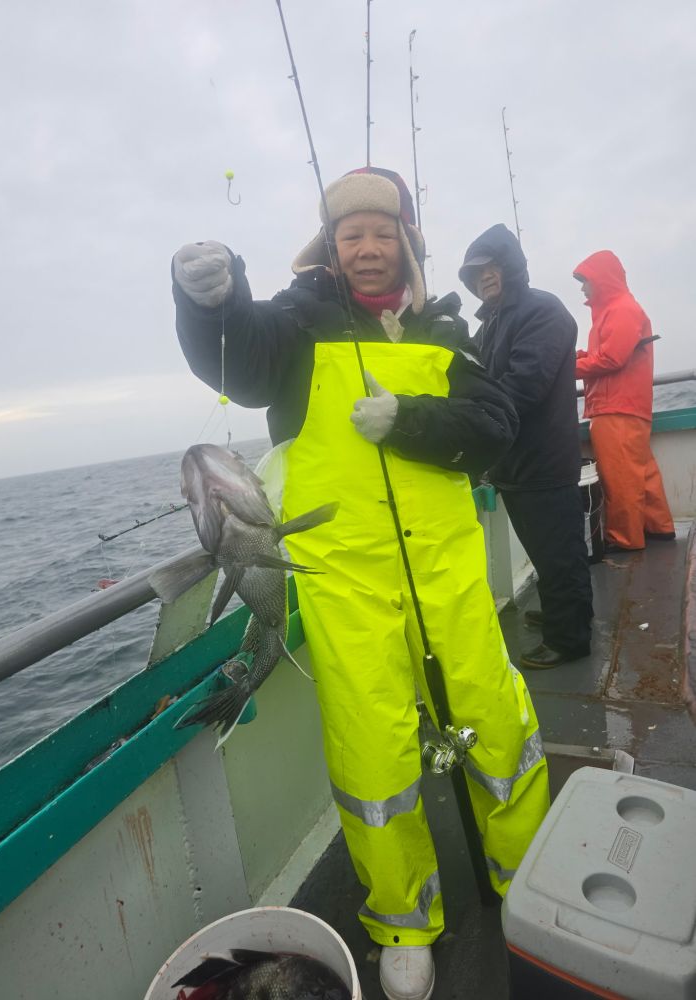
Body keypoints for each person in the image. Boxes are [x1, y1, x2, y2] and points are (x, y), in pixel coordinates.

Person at [171, 169, 549, 1000]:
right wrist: (208, 303)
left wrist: (408, 422)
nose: (369, 249)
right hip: (344, 578)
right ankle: (404, 921)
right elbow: (240, 360)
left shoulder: (447, 329)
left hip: (447, 571)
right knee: (373, 754)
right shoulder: (294, 326)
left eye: (384, 233)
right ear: (330, 247)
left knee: (495, 720)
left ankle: (525, 876)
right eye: (352, 236)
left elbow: (494, 429)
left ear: (407, 242)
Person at [458, 224, 594, 670]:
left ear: (510, 266)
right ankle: (564, 613)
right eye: (475, 274)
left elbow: (523, 386)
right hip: (514, 464)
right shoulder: (492, 322)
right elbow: (474, 378)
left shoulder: (543, 311)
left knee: (560, 553)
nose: (484, 278)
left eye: (491, 267)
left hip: (543, 461)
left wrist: (470, 428)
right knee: (544, 552)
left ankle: (569, 637)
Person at [573, 251, 675, 552]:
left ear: (602, 279)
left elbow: (611, 358)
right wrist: (577, 358)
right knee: (642, 472)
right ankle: (659, 527)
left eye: (585, 281)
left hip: (615, 407)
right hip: (629, 406)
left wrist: (566, 368)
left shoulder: (620, 309)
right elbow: (606, 355)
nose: (582, 288)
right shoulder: (619, 310)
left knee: (621, 478)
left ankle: (625, 538)